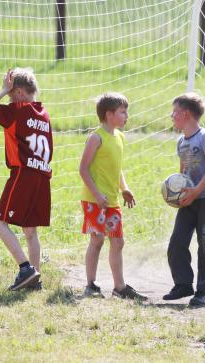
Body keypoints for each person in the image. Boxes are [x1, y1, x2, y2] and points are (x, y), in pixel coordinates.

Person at [0, 68, 52, 291]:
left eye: (12, 94)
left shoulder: (16, 111)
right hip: (42, 175)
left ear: (19, 92)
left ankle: (26, 269)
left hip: (23, 173)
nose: (9, 98)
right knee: (30, 231)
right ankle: (35, 279)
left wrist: (2, 90)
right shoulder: (43, 112)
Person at [79, 92, 147, 301]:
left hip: (112, 200)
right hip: (94, 200)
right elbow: (83, 169)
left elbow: (117, 169)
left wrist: (124, 188)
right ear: (109, 114)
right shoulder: (96, 137)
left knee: (118, 242)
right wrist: (97, 194)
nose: (127, 115)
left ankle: (120, 287)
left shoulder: (120, 137)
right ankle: (91, 284)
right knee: (97, 240)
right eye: (123, 112)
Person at [163, 92, 205, 308]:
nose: (172, 116)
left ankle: (203, 292)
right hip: (189, 199)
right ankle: (183, 284)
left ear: (186, 113)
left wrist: (196, 191)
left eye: (174, 112)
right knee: (177, 243)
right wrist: (178, 193)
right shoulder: (181, 141)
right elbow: (183, 172)